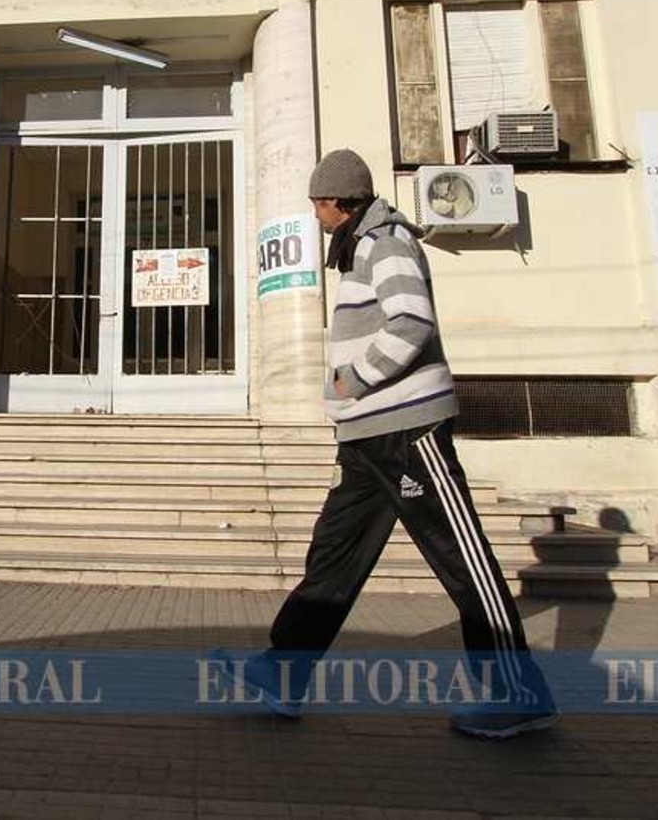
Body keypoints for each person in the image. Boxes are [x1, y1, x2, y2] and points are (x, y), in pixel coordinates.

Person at [219, 149, 557, 739]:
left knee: (462, 559)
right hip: (366, 436)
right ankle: (282, 672)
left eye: (317, 204)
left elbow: (412, 322)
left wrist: (353, 379)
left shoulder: (387, 242)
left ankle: (518, 693)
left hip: (406, 431)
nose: (315, 214)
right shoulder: (360, 248)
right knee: (333, 556)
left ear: (337, 201)